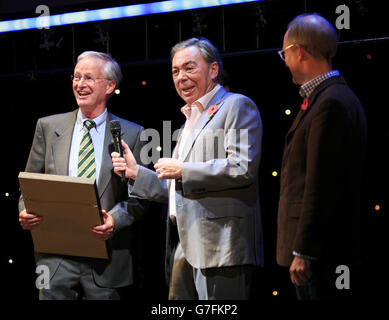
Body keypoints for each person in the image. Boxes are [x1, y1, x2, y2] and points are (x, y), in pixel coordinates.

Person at [112, 37, 264, 300]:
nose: (181, 77)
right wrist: (137, 172)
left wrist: (183, 169)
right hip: (183, 244)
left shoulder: (236, 105)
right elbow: (176, 188)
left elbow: (242, 167)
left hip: (221, 246)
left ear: (213, 70)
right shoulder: (186, 124)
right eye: (175, 71)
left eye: (189, 68)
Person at [18, 51, 147, 300]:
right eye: (76, 77)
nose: (79, 84)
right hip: (55, 255)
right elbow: (29, 183)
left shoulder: (132, 133)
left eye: (88, 78)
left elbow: (141, 196)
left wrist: (114, 220)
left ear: (110, 86)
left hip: (106, 257)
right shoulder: (47, 127)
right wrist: (24, 209)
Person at [276, 13, 367, 299]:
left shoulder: (331, 103)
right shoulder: (327, 98)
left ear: (298, 51)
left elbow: (320, 185)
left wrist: (303, 251)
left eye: (284, 54)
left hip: (320, 256)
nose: (285, 62)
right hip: (323, 252)